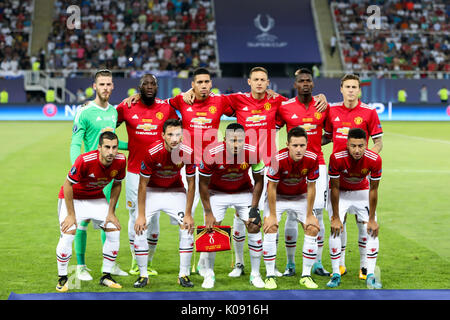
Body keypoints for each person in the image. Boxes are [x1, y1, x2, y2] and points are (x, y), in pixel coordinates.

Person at [183, 66, 328, 277]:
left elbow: (300, 100)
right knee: (242, 218)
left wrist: (320, 95)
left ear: (268, 83)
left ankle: (270, 267)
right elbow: (210, 97)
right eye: (256, 79)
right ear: (249, 82)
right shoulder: (237, 100)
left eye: (263, 79)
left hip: (268, 165)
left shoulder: (278, 101)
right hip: (245, 164)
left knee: (263, 217)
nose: (259, 83)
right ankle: (239, 264)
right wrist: (191, 93)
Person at [116, 74, 179, 276]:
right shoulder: (127, 107)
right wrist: (126, 146)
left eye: (153, 84)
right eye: (145, 84)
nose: (150, 87)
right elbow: (107, 126)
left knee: (153, 219)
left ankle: (149, 261)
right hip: (135, 172)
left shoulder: (166, 107)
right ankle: (136, 261)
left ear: (157, 87)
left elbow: (178, 130)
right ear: (139, 87)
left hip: (159, 172)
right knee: (136, 216)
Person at [323, 73, 383, 280]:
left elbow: (379, 142)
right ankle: (339, 266)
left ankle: (365, 268)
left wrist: (365, 158)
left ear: (359, 90)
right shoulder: (332, 111)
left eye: (354, 87)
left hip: (359, 178)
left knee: (362, 223)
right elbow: (326, 137)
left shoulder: (369, 112)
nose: (350, 90)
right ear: (341, 89)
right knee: (339, 220)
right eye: (347, 86)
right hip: (337, 174)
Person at [70, 69, 128, 280]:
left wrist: (134, 146)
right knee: (82, 221)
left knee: (109, 219)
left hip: (108, 175)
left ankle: (109, 266)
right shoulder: (84, 111)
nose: (105, 88)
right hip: (88, 174)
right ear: (94, 86)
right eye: (101, 84)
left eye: (108, 84)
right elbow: (76, 142)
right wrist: (77, 170)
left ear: (113, 87)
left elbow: (111, 143)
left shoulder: (113, 112)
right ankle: (81, 266)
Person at [56, 132, 126, 292]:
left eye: (114, 147)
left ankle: (106, 276)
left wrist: (111, 212)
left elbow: (117, 184)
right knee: (68, 233)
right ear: (99, 147)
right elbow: (67, 185)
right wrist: (71, 215)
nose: (111, 151)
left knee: (114, 230)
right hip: (73, 198)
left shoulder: (121, 160)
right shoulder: (85, 160)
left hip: (96, 198)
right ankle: (62, 278)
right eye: (107, 147)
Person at [276, 68, 330, 277]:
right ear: (296, 85)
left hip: (318, 165)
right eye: (301, 81)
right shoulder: (286, 107)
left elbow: (331, 134)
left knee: (317, 214)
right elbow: (273, 130)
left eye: (308, 80)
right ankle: (290, 264)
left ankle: (317, 262)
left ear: (313, 84)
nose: (305, 83)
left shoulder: (322, 107)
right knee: (291, 213)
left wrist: (314, 143)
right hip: (292, 167)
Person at [198, 123, 265, 289]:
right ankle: (209, 273)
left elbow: (259, 181)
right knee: (211, 227)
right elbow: (203, 185)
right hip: (216, 193)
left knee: (254, 226)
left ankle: (255, 274)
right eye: (232, 140)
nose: (236, 144)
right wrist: (208, 212)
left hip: (243, 192)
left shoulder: (252, 152)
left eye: (240, 140)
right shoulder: (211, 154)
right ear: (224, 140)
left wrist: (254, 208)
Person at [134, 119, 196, 288]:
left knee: (187, 228)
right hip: (152, 191)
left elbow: (191, 183)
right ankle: (143, 275)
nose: (174, 138)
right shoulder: (152, 152)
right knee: (139, 228)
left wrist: (189, 214)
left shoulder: (187, 152)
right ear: (163, 136)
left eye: (177, 134)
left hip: (175, 191)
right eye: (170, 134)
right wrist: (140, 215)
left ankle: (183, 274)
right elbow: (142, 184)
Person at [263, 126, 320, 289]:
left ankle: (306, 275)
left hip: (299, 196)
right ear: (287, 144)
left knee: (313, 228)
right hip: (278, 197)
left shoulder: (312, 158)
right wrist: (272, 215)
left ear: (307, 144)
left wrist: (309, 214)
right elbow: (271, 187)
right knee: (270, 227)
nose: (299, 149)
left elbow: (311, 186)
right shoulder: (277, 158)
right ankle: (269, 275)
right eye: (295, 145)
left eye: (302, 145)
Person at [326, 128, 382, 289]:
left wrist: (371, 219)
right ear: (347, 145)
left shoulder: (375, 159)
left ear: (366, 145)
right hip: (341, 193)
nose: (357, 150)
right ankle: (336, 273)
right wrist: (336, 216)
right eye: (353, 146)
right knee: (335, 228)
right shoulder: (336, 158)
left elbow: (373, 189)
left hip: (362, 192)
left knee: (371, 229)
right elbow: (334, 188)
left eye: (361, 146)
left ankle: (369, 272)